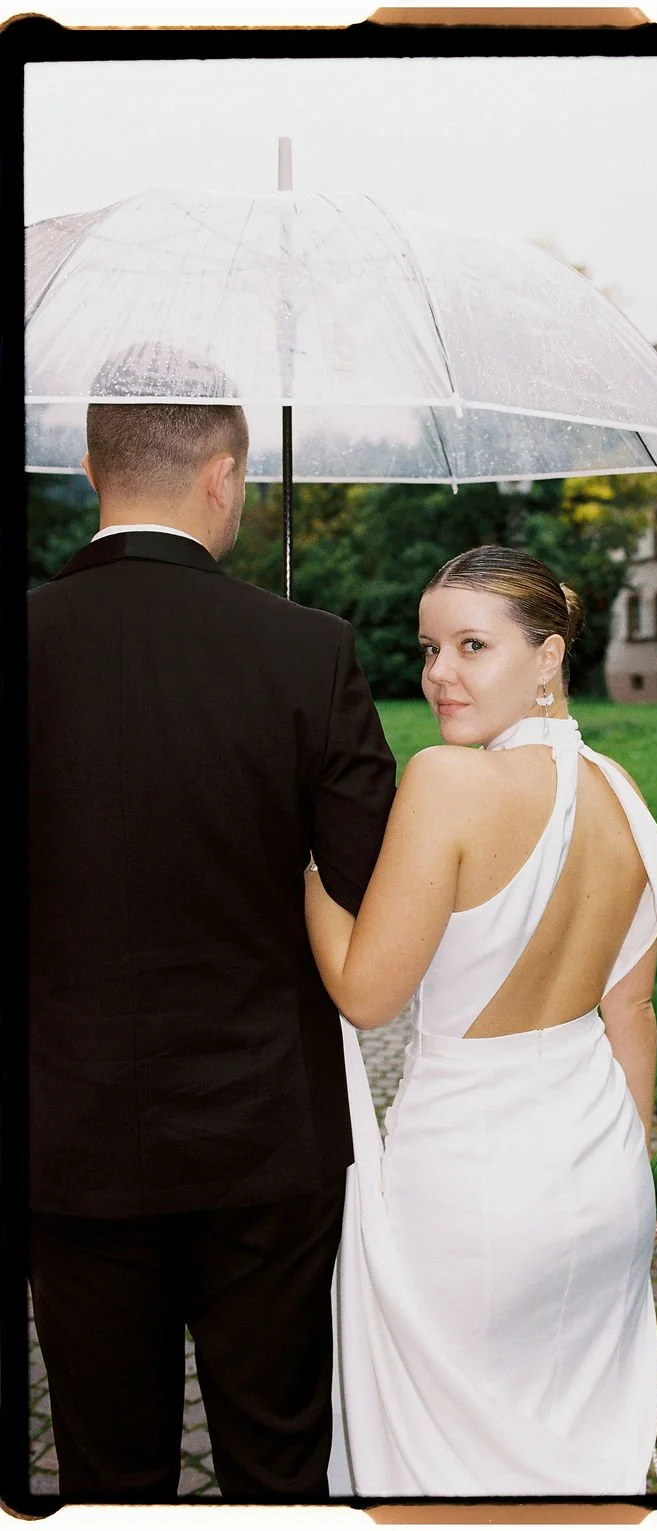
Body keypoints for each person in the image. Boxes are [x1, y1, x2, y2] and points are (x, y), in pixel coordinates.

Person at [27, 398, 396, 1502]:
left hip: (65, 1130)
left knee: (104, 1470)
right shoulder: (308, 647)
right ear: (225, 474)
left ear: (94, 467)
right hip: (264, 1139)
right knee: (277, 1463)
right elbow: (368, 880)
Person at [304, 544, 657, 1496]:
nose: (440, 674)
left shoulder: (449, 780)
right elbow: (631, 1009)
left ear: (548, 656)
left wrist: (304, 867)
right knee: (570, 1458)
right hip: (603, 1171)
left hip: (472, 1181)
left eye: (473, 645)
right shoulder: (626, 798)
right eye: (430, 648)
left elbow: (366, 992)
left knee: (443, 1467)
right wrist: (628, 1172)